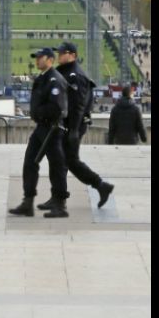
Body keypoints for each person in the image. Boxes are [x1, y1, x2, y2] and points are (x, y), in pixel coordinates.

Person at [49, 42, 114, 209]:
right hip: (66, 125)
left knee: (69, 161)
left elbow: (77, 106)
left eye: (63, 52)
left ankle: (100, 185)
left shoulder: (75, 75)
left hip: (72, 126)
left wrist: (74, 131)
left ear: (73, 55)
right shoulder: (66, 72)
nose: (59, 55)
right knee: (61, 160)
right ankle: (58, 196)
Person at [8, 47, 69, 218]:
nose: (37, 60)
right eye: (37, 57)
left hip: (52, 128)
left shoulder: (55, 80)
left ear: (50, 59)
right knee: (30, 162)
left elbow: (57, 107)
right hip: (41, 127)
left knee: (56, 165)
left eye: (40, 57)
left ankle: (60, 204)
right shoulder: (44, 78)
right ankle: (28, 202)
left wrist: (38, 112)